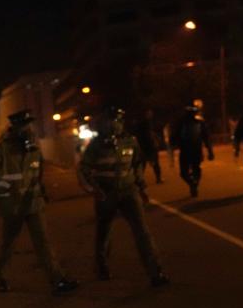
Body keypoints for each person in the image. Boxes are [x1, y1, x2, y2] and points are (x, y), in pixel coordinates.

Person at [0, 109, 78, 295]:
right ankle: (2, 278)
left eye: (29, 125)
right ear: (16, 127)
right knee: (9, 244)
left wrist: (41, 191)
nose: (28, 129)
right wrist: (9, 190)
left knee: (43, 242)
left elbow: (37, 175)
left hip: (33, 203)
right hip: (13, 206)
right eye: (24, 125)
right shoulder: (3, 148)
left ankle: (57, 280)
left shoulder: (34, 148)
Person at [79, 106, 169, 287]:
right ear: (104, 123)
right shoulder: (96, 145)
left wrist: (142, 188)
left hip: (129, 192)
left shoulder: (130, 141)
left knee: (142, 232)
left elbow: (137, 165)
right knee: (104, 231)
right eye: (111, 121)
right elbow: (84, 170)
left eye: (118, 121)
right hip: (106, 194)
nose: (115, 124)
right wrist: (94, 189)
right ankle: (101, 266)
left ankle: (155, 272)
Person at [170, 100, 213, 197]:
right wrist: (210, 151)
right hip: (194, 150)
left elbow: (174, 136)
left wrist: (172, 145)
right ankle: (194, 183)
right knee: (194, 169)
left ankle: (192, 183)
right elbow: (206, 137)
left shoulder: (183, 122)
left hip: (187, 151)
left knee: (186, 171)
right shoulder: (198, 122)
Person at [134, 109, 163, 184]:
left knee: (143, 164)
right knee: (153, 163)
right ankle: (158, 179)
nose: (150, 115)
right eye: (149, 113)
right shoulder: (146, 124)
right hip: (149, 147)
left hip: (144, 146)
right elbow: (149, 136)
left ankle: (139, 179)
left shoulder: (141, 124)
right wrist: (153, 143)